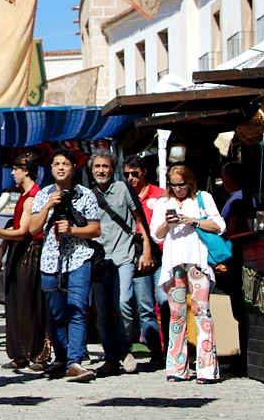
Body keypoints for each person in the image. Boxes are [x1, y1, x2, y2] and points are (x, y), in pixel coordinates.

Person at [30, 148, 101, 382]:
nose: (61, 167)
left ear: (73, 168)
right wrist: (49, 205)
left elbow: (95, 230)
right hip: (50, 262)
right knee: (56, 314)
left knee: (77, 310)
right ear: (51, 169)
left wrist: (72, 230)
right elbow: (32, 229)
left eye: (66, 164)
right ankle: (61, 359)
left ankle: (75, 362)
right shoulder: (42, 195)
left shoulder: (86, 195)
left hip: (78, 258)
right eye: (56, 164)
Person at [150, 164, 225, 384]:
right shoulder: (164, 203)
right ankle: (177, 367)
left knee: (202, 313)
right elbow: (156, 234)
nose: (178, 189)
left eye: (181, 184)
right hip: (175, 263)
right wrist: (168, 222)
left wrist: (193, 221)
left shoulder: (202, 198)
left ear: (189, 182)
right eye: (173, 184)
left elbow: (219, 225)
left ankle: (207, 369)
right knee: (176, 315)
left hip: (198, 261)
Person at [0, 154, 52, 372]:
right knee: (15, 303)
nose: (12, 173)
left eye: (15, 169)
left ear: (26, 171)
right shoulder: (22, 196)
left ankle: (38, 354)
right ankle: (20, 353)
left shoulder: (32, 197)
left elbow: (23, 232)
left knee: (30, 303)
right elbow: (15, 229)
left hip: (30, 253)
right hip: (18, 252)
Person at [90, 149, 153, 375]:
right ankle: (111, 356)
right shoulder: (89, 195)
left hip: (124, 256)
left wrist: (146, 250)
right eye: (97, 167)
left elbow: (140, 220)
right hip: (99, 259)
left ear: (112, 169)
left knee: (124, 302)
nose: (101, 170)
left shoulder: (123, 189)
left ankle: (126, 348)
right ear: (92, 170)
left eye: (105, 166)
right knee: (104, 312)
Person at [123, 154, 166, 367]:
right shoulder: (124, 196)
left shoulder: (159, 195)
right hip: (137, 254)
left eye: (134, 173)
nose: (130, 178)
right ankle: (156, 351)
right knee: (145, 305)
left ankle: (172, 346)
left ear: (144, 172)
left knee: (165, 301)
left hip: (161, 253)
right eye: (126, 174)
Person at [220, 161, 255, 376]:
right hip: (242, 258)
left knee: (240, 308)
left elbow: (232, 230)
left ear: (230, 179)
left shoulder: (237, 200)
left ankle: (245, 357)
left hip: (236, 258)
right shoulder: (249, 196)